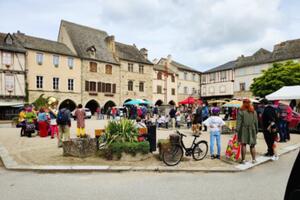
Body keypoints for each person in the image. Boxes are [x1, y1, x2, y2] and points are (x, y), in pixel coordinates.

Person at [236, 99, 258, 164]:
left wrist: (237, 130)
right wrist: (256, 130)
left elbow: (239, 122)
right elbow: (256, 122)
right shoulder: (254, 111)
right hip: (252, 129)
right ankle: (254, 160)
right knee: (252, 145)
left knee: (243, 145)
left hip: (243, 129)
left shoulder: (241, 111)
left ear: (243, 103)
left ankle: (243, 160)